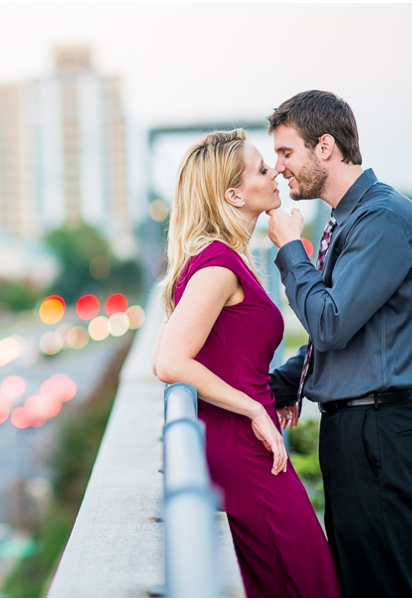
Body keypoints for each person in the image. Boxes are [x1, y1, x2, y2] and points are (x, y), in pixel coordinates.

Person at [265, 90, 412, 597]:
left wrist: (290, 252)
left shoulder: (382, 220)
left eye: (285, 152)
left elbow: (330, 323)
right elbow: (342, 337)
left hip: (379, 430)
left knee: (385, 586)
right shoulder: (349, 219)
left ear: (325, 147)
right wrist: (278, 386)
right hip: (358, 430)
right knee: (359, 582)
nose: (279, 169)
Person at [152, 129, 341, 598]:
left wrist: (269, 398)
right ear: (233, 194)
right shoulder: (217, 264)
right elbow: (170, 361)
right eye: (262, 168)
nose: (276, 169)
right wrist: (255, 408)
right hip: (243, 448)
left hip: (246, 443)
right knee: (309, 580)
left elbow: (228, 355)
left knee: (287, 579)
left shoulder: (227, 256)